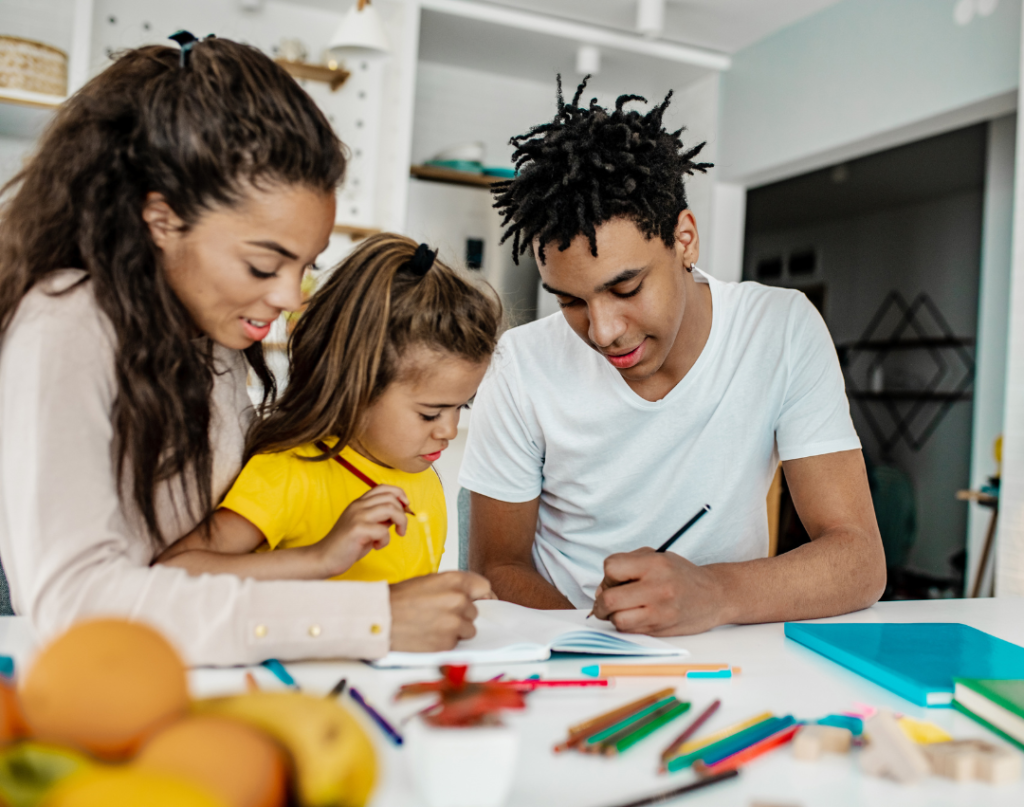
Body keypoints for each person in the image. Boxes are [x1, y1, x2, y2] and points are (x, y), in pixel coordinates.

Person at [0, 35, 492, 666]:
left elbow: (192, 566)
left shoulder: (212, 332)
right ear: (162, 218)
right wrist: (368, 618)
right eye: (264, 265)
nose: (289, 296)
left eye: (305, 267)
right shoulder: (65, 325)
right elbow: (81, 603)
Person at [460, 78, 886, 635]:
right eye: (570, 301)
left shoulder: (780, 328)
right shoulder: (521, 362)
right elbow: (496, 568)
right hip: (565, 656)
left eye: (627, 287)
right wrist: (599, 639)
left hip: (731, 653)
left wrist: (713, 593)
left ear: (684, 239)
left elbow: (859, 561)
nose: (603, 331)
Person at [156, 234, 501, 584]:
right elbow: (172, 572)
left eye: (463, 406)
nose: (449, 431)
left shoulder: (422, 477)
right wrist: (319, 557)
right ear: (356, 385)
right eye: (430, 413)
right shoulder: (290, 473)